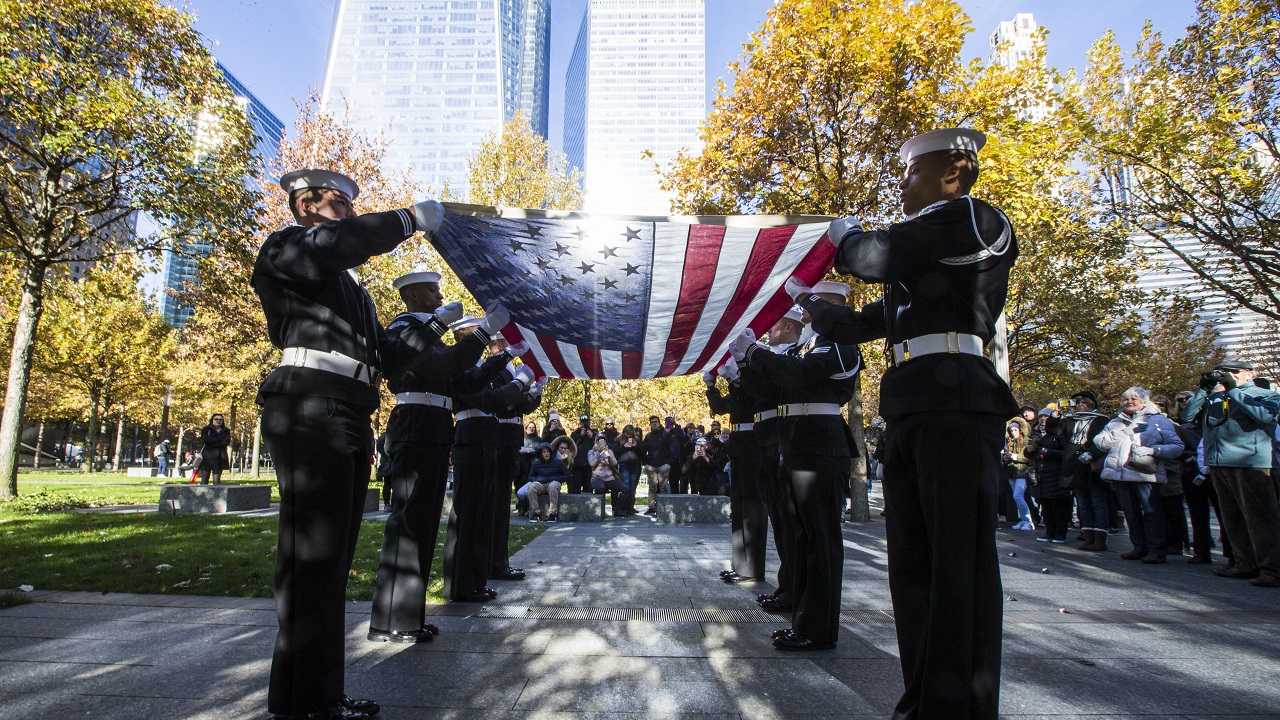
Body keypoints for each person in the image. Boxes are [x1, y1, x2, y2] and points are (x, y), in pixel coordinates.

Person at [789, 128, 1017, 717]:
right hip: (916, 400)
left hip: (958, 399)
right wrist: (810, 306)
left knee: (956, 564)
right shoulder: (924, 253)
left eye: (912, 172)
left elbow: (876, 255)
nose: (901, 183)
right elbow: (863, 325)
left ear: (953, 171)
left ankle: (960, 708)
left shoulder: (971, 217)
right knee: (913, 568)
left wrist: (843, 238)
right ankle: (924, 701)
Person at [254, 167, 444, 720]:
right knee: (310, 556)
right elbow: (336, 245)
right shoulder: (287, 248)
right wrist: (408, 220)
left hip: (347, 409)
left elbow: (388, 355)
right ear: (307, 204)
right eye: (340, 201)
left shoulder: (349, 286)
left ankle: (319, 693)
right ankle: (302, 700)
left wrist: (442, 329)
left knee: (330, 560)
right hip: (311, 405)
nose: (350, 211)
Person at [731, 301, 862, 652]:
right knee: (803, 539)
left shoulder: (835, 340)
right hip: (800, 441)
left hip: (820, 442)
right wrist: (746, 362)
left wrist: (755, 353)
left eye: (812, 302)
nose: (805, 309)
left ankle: (818, 629)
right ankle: (804, 619)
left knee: (819, 541)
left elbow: (800, 376)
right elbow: (771, 392)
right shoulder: (810, 344)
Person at [367, 270, 477, 645]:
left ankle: (409, 614)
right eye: (432, 290)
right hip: (414, 421)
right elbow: (403, 360)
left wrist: (482, 336)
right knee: (409, 519)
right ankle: (391, 618)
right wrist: (437, 322)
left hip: (432, 422)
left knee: (425, 518)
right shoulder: (404, 326)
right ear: (413, 294)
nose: (439, 295)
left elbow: (452, 367)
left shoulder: (430, 332)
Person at [441, 314, 536, 602]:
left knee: (480, 515)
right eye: (478, 333)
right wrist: (518, 383)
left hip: (485, 435)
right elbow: (487, 399)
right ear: (464, 336)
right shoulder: (462, 364)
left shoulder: (478, 366)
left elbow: (493, 400)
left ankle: (474, 581)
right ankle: (462, 584)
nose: (486, 336)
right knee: (470, 515)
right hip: (473, 435)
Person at [1183, 360, 1280, 587]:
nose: (1228, 376)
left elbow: (1264, 416)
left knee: (1261, 518)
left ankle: (1272, 568)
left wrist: (1234, 390)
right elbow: (1188, 417)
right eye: (1224, 373)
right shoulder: (1215, 396)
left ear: (1250, 374)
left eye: (1234, 373)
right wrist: (1203, 390)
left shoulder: (1264, 393)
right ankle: (1244, 563)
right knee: (1231, 517)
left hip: (1252, 463)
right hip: (1219, 463)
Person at [739, 308, 804, 611]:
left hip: (783, 437)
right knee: (780, 522)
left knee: (791, 525)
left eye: (774, 325)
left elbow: (775, 386)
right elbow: (759, 392)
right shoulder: (780, 356)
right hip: (768, 438)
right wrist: (743, 362)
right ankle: (787, 585)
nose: (769, 331)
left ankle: (794, 589)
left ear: (789, 326)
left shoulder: (794, 355)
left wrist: (753, 355)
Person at [1093, 387, 1184, 563]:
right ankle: (1138, 547)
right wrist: (1121, 434)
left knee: (1151, 512)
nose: (1129, 402)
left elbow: (1177, 446)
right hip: (1121, 474)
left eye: (1134, 399)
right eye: (1125, 399)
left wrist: (1153, 450)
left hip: (1145, 474)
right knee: (1131, 513)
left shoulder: (1157, 421)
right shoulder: (1115, 422)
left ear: (1144, 401)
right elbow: (1099, 442)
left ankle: (1156, 550)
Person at [704, 356, 768, 583]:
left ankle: (752, 567)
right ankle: (740, 564)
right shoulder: (741, 389)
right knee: (739, 505)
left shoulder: (754, 385)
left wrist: (735, 379)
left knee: (752, 505)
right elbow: (721, 407)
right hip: (740, 444)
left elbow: (748, 397)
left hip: (753, 442)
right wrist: (711, 387)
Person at [1062, 391, 1111, 551]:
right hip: (1076, 467)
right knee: (1083, 504)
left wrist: (1090, 452)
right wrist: (1056, 413)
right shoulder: (1070, 420)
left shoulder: (1102, 420)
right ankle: (1087, 535)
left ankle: (1100, 539)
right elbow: (1054, 431)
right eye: (1077, 403)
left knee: (1098, 502)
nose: (1080, 405)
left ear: (1091, 403)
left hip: (1092, 466)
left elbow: (1105, 442)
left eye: (1083, 402)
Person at [1032, 415, 1071, 543]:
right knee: (1047, 509)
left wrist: (1048, 451)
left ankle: (1060, 534)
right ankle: (1050, 533)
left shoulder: (1062, 438)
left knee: (1058, 509)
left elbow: (1066, 454)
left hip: (1057, 476)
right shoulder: (1044, 438)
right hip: (1044, 477)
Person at [1002, 417, 1036, 531]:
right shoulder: (1010, 443)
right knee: (1017, 497)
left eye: (1015, 430)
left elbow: (1028, 458)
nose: (1013, 432)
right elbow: (1006, 457)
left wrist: (1013, 457)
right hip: (1012, 473)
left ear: (1020, 430)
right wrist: (1005, 458)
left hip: (1023, 473)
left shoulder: (1026, 441)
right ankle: (1023, 520)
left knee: (1018, 496)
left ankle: (1028, 521)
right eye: (1011, 430)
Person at [641, 415, 678, 515]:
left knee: (664, 487)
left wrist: (669, 463)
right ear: (650, 424)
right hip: (651, 466)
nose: (654, 423)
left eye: (656, 421)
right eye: (652, 422)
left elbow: (672, 449)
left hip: (663, 465)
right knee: (652, 487)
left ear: (659, 422)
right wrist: (645, 464)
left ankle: (663, 506)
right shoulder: (648, 436)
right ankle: (651, 507)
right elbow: (643, 451)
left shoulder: (666, 434)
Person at [525, 441, 570, 522]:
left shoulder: (558, 462)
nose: (546, 454)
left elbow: (567, 475)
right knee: (531, 487)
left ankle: (552, 513)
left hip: (554, 483)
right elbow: (530, 477)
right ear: (541, 454)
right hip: (540, 484)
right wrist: (537, 479)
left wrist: (557, 478)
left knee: (553, 486)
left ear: (551, 452)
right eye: (544, 452)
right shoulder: (536, 463)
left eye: (548, 451)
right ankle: (535, 513)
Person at [588, 436, 631, 516]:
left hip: (609, 479)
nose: (601, 444)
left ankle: (618, 510)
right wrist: (598, 454)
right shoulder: (592, 452)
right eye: (599, 442)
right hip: (597, 478)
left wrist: (608, 455)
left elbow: (614, 463)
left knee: (626, 489)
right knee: (600, 487)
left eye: (603, 442)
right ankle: (600, 511)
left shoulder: (609, 451)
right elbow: (591, 463)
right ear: (596, 443)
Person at [613, 425, 643, 516]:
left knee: (632, 486)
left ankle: (629, 507)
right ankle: (621, 507)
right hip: (624, 464)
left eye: (630, 434)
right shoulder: (618, 439)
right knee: (626, 485)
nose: (629, 436)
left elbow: (641, 452)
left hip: (635, 464)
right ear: (624, 432)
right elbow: (614, 451)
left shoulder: (636, 439)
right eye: (627, 434)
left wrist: (635, 446)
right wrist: (624, 447)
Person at [197, 414, 231, 485]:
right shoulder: (206, 429)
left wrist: (213, 442)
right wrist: (220, 439)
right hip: (207, 457)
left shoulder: (226, 430)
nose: (218, 421)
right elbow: (205, 440)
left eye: (220, 419)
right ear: (212, 420)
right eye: (216, 419)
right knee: (204, 479)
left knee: (216, 481)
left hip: (220, 457)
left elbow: (227, 442)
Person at [569, 415, 597, 494]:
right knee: (576, 489)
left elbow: (598, 447)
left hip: (589, 465)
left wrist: (592, 437)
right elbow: (573, 446)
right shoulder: (575, 434)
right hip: (578, 465)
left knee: (588, 490)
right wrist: (580, 437)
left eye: (586, 422)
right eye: (582, 422)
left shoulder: (594, 433)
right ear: (580, 422)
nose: (584, 424)